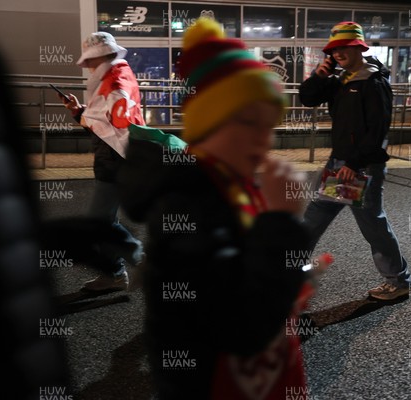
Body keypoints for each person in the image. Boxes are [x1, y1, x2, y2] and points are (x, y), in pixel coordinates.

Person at [119, 18, 326, 400]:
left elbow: (245, 275)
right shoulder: (188, 202)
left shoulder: (233, 183)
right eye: (247, 122)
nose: (262, 140)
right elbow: (243, 328)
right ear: (208, 122)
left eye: (269, 126)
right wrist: (282, 223)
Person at [299, 21, 411, 300]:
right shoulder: (342, 80)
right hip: (341, 164)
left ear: (358, 47)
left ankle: (398, 281)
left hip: (359, 168)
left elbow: (377, 130)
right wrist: (318, 76)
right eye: (334, 49)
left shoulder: (373, 83)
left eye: (344, 47)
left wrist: (354, 164)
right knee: (315, 217)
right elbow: (308, 98)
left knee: (372, 224)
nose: (337, 53)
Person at [59, 32, 145, 294]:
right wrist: (80, 113)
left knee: (99, 221)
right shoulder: (110, 78)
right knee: (105, 221)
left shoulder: (116, 80)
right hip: (113, 159)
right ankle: (115, 274)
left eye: (91, 61)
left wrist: (101, 114)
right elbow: (103, 124)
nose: (90, 67)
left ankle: (139, 262)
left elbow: (117, 119)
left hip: (117, 161)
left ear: (102, 56)